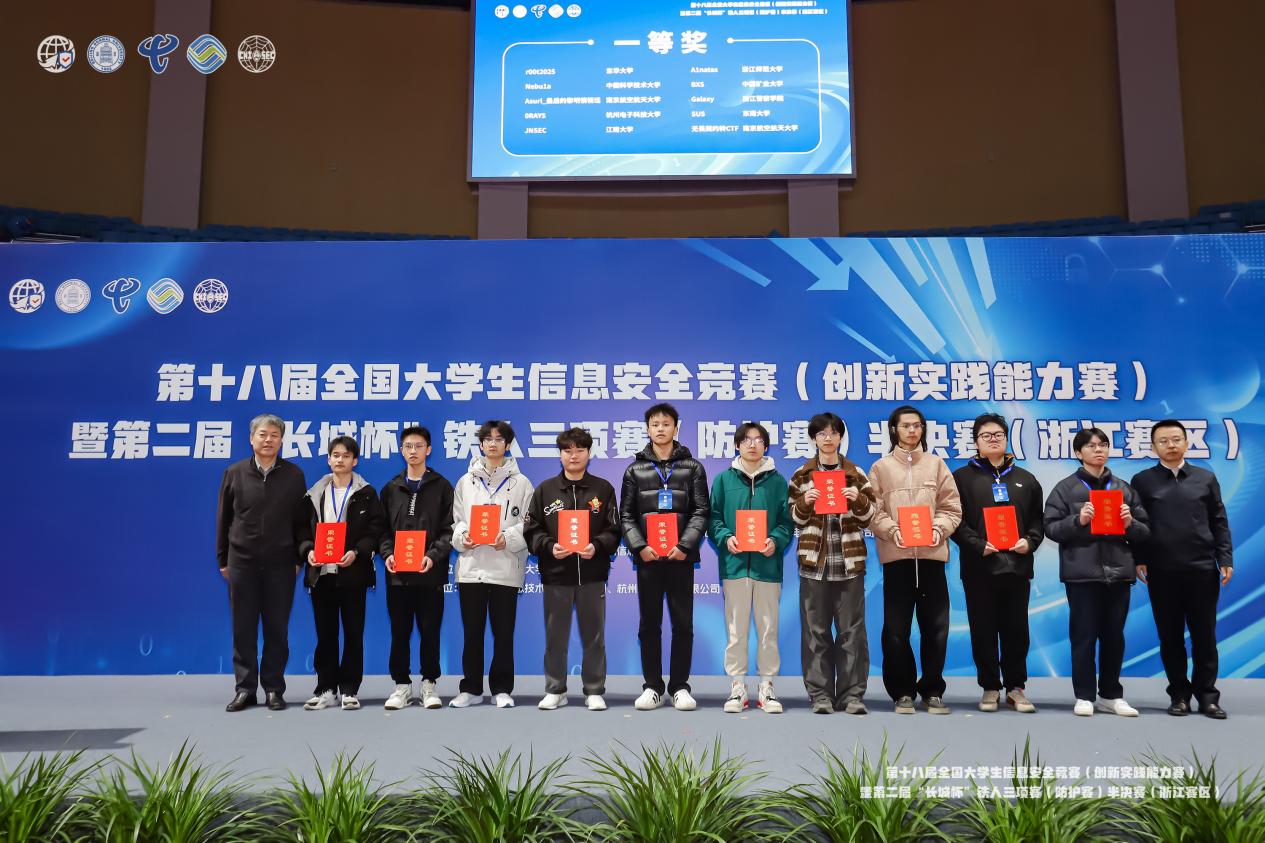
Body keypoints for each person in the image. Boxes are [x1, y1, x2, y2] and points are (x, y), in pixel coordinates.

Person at [1044, 426, 1150, 717]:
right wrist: (1077, 520)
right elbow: (1050, 528)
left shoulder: (1123, 488)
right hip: (1082, 574)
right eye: (1091, 446)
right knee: (1083, 636)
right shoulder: (1066, 488)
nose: (1098, 449)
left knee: (1114, 637)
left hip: (1119, 573)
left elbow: (1145, 531)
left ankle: (1111, 695)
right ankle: (1084, 695)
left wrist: (1130, 524)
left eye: (1103, 444)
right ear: (1079, 453)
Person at [1132, 419, 1233, 719]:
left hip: (1202, 568)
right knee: (1170, 637)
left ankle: (1208, 696)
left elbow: (1219, 520)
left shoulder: (1205, 478)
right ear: (1153, 447)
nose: (1171, 445)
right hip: (1162, 570)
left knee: (1205, 636)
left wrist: (1225, 558)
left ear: (1187, 443)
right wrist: (1139, 558)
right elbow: (1138, 524)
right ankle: (1179, 695)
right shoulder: (1142, 481)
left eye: (1176, 439)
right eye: (1163, 441)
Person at [868, 405, 962, 715]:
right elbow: (872, 511)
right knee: (896, 631)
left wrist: (938, 529)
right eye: (906, 425)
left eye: (917, 425)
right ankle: (902, 692)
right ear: (893, 430)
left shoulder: (936, 465)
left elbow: (951, 507)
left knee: (937, 628)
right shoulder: (881, 468)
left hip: (932, 558)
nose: (912, 430)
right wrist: (892, 530)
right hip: (898, 559)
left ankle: (932, 690)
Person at [950, 413, 1044, 714]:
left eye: (998, 434)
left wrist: (1030, 541)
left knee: (1017, 630)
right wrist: (978, 545)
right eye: (986, 435)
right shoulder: (961, 478)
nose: (993, 439)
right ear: (976, 442)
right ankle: (990, 686)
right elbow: (954, 520)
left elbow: (1037, 520)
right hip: (979, 567)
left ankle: (1016, 687)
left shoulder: (1026, 479)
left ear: (1006, 438)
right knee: (983, 629)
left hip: (1017, 566)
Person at [620, 403, 710, 712]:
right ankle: (653, 686)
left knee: (683, 624)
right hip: (648, 559)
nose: (660, 428)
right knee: (649, 625)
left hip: (680, 558)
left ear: (676, 428)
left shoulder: (693, 468)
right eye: (655, 424)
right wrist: (639, 547)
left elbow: (701, 511)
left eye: (666, 423)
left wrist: (684, 545)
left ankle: (680, 686)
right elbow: (626, 515)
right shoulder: (634, 470)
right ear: (647, 429)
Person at [524, 427, 621, 712]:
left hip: (592, 574)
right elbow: (531, 529)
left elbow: (614, 529)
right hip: (556, 575)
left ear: (589, 453)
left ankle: (594, 689)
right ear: (560, 455)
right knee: (555, 637)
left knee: (594, 636)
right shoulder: (545, 490)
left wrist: (597, 546)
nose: (574, 455)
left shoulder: (603, 489)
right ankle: (555, 689)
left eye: (580, 450)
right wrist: (549, 546)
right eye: (568, 450)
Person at [216, 413, 307, 712]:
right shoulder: (234, 473)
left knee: (276, 629)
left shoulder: (294, 475)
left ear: (281, 441)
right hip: (241, 562)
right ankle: (244, 689)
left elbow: (301, 522)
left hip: (281, 563)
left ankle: (273, 688)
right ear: (251, 439)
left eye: (274, 435)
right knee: (243, 628)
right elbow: (224, 519)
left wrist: (297, 559)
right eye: (263, 435)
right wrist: (223, 560)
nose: (268, 440)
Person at [787, 413, 877, 715]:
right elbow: (794, 518)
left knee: (852, 632)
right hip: (814, 564)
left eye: (834, 433)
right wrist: (806, 502)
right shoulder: (802, 474)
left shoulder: (856, 473)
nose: (828, 438)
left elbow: (870, 517)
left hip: (849, 563)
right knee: (816, 632)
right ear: (814, 438)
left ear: (840, 437)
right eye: (822, 433)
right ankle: (820, 695)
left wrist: (857, 500)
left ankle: (852, 696)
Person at [708, 422, 795, 714]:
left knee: (768, 629)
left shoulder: (778, 482)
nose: (752, 444)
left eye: (758, 440)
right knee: (736, 630)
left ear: (766, 446)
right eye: (746, 440)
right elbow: (713, 518)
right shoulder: (723, 480)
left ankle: (767, 686)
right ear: (737, 445)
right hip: (735, 566)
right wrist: (725, 537)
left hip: (767, 567)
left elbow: (786, 521)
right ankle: (738, 687)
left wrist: (776, 540)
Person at [449, 420, 534, 709]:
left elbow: (529, 523)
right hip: (471, 569)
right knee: (472, 633)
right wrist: (463, 536)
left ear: (507, 445)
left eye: (499, 439)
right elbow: (457, 520)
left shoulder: (522, 483)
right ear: (481, 444)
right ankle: (471, 689)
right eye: (488, 439)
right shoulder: (466, 481)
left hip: (505, 569)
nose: (493, 443)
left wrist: (508, 538)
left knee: (503, 634)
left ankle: (501, 689)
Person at [298, 435, 386, 711]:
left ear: (355, 461)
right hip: (322, 573)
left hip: (353, 573)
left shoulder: (366, 493)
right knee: (325, 635)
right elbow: (302, 530)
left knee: (353, 633)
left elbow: (375, 530)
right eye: (335, 455)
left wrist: (357, 552)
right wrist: (308, 551)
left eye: (346, 456)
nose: (340, 460)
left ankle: (349, 689)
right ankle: (326, 688)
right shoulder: (314, 493)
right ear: (328, 459)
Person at [378, 425, 454, 711]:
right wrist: (387, 554)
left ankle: (429, 683)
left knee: (430, 630)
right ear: (401, 450)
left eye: (419, 446)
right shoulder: (391, 488)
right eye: (408, 446)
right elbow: (381, 530)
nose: (413, 451)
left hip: (429, 573)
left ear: (428, 449)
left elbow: (450, 529)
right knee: (399, 632)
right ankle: (401, 685)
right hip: (398, 576)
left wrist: (433, 555)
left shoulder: (442, 487)